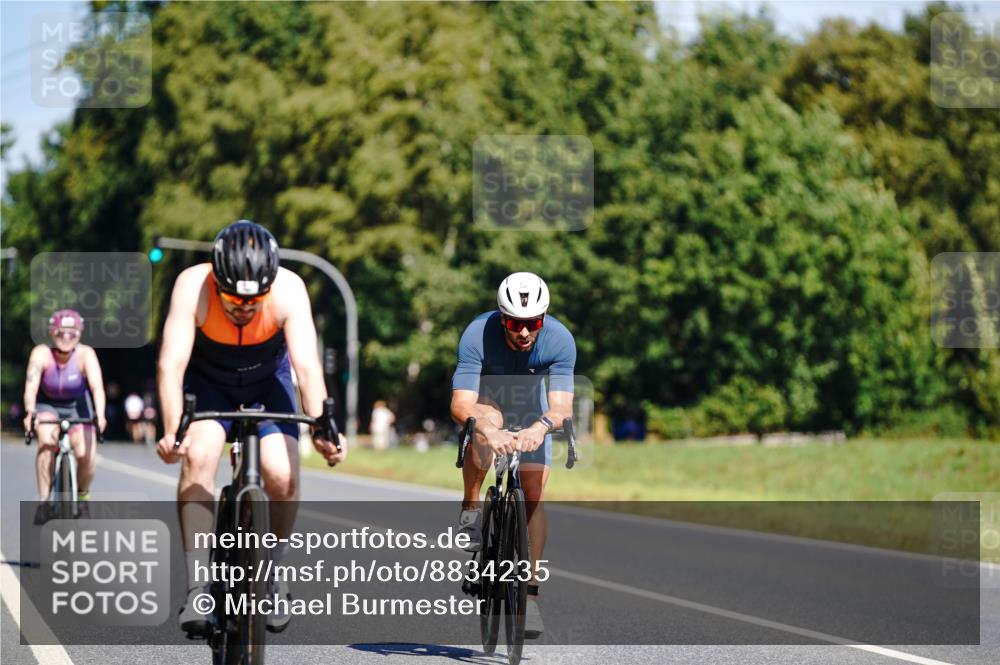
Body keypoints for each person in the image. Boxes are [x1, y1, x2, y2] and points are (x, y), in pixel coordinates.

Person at [155, 220, 346, 637]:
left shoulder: (290, 289)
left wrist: (324, 429)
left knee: (281, 475)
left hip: (266, 381)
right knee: (200, 455)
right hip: (209, 383)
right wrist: (173, 431)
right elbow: (171, 364)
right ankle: (197, 586)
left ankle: (272, 576)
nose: (242, 308)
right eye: (232, 299)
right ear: (216, 279)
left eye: (254, 300)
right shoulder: (192, 286)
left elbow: (307, 366)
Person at [451, 272, 576, 639]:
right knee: (486, 423)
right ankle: (472, 506)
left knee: (534, 494)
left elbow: (561, 407)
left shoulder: (560, 340)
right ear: (501, 317)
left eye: (532, 324)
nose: (523, 332)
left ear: (544, 318)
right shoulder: (477, 334)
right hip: (487, 398)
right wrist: (487, 430)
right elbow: (461, 403)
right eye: (514, 324)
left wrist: (539, 429)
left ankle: (530, 598)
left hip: (530, 407)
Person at [23, 309, 107, 523]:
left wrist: (100, 415)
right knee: (45, 444)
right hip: (48, 404)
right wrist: (30, 412)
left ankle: (82, 495)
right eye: (61, 333)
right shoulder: (41, 353)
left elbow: (97, 387)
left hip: (78, 406)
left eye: (72, 333)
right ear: (52, 333)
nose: (66, 338)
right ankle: (44, 500)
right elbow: (31, 387)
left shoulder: (85, 354)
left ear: (79, 334)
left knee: (86, 454)